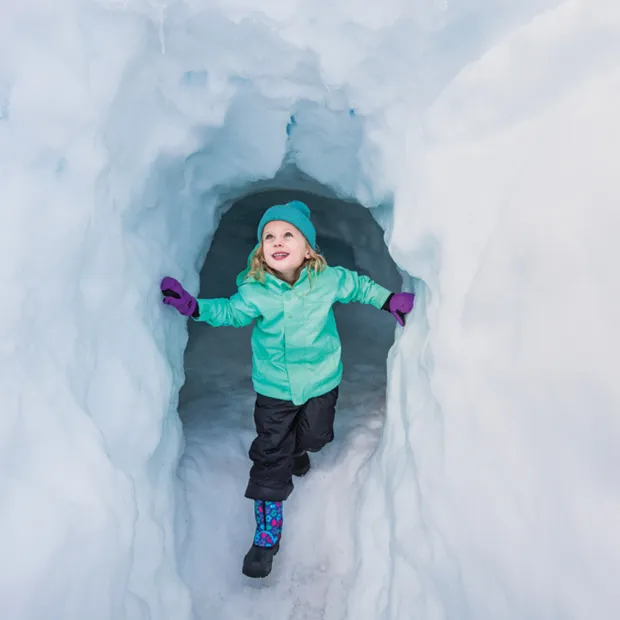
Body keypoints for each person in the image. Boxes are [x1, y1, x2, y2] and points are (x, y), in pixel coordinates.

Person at [160, 200, 414, 578]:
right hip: (274, 389)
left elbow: (358, 287)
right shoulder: (255, 290)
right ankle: (266, 539)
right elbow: (230, 312)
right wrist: (194, 307)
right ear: (260, 250)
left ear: (308, 247)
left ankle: (300, 451)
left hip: (322, 381)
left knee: (316, 437)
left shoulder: (327, 280)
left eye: (288, 235)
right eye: (269, 237)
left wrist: (388, 300)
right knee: (269, 458)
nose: (277, 242)